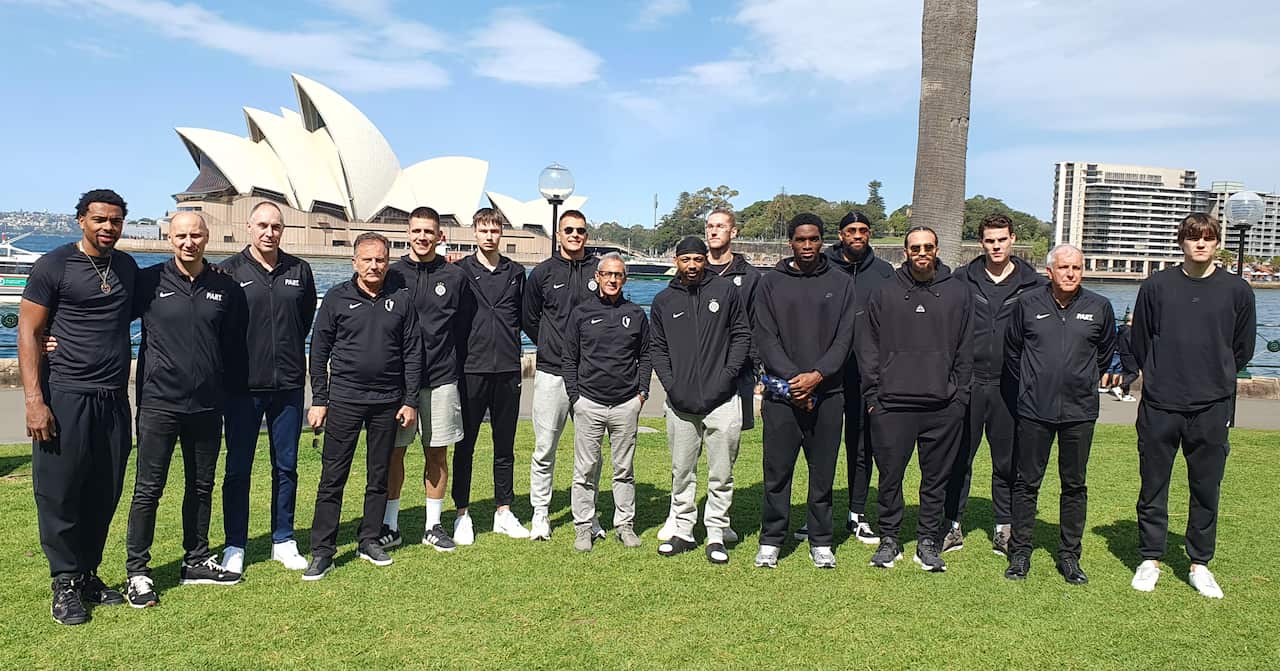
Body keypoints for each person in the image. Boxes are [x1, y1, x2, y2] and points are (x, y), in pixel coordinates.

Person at [20, 189, 138, 624]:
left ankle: (88, 573)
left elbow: (168, 288)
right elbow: (29, 332)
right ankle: (64, 582)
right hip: (66, 394)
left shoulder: (126, 267)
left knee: (103, 491)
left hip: (113, 398)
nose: (108, 227)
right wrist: (35, 401)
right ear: (81, 221)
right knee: (61, 491)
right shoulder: (53, 265)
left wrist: (213, 270)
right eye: (99, 219)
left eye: (115, 220)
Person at [124, 212, 249, 607]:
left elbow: (234, 346)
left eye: (195, 235)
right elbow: (105, 319)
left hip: (208, 405)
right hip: (160, 402)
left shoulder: (225, 287)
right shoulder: (148, 282)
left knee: (201, 486)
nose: (188, 242)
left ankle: (195, 560)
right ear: (170, 238)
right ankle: (137, 571)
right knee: (149, 489)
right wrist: (54, 338)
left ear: (207, 237)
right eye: (181, 236)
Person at [1129, 213, 1255, 599]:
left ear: (1217, 243)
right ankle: (1151, 558)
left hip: (1212, 406)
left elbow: (1242, 348)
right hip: (1161, 403)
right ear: (1181, 241)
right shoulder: (1156, 286)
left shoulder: (1237, 290)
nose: (1200, 244)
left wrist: (1216, 377)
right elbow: (1140, 340)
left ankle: (1200, 563)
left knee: (1206, 487)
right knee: (1153, 484)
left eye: (1208, 238)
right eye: (1193, 237)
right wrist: (1160, 375)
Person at [304, 232, 422, 580]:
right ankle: (322, 551)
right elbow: (319, 351)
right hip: (344, 400)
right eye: (367, 259)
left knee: (379, 476)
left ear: (388, 262)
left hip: (387, 402)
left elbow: (413, 353)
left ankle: (369, 539)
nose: (374, 265)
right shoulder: (337, 298)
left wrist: (410, 400)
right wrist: (320, 399)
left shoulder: (401, 300)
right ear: (354, 262)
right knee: (333, 477)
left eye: (380, 259)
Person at [857, 226, 972, 573]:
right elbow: (868, 346)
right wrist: (873, 395)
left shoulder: (957, 292)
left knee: (935, 480)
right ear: (905, 251)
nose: (922, 253)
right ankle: (889, 539)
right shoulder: (884, 291)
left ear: (937, 250)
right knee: (890, 478)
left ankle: (927, 541)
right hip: (892, 405)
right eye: (915, 248)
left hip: (942, 405)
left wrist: (959, 398)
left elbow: (967, 349)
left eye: (928, 247)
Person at [1003, 244, 1116, 584]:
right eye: (1064, 267)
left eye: (1076, 268)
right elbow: (1013, 352)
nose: (1070, 273)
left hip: (1079, 411)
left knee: (1074, 485)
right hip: (1034, 409)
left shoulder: (1099, 306)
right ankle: (1020, 552)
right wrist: (1033, 383)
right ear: (1049, 271)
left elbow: (1104, 353)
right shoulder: (1027, 304)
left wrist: (1081, 380)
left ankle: (1069, 555)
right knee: (1026, 483)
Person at [753, 213, 857, 569]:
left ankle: (821, 540)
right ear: (791, 242)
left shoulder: (841, 282)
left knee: (822, 473)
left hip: (828, 394)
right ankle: (771, 540)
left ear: (822, 241)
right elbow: (765, 336)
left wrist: (818, 375)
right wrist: (795, 380)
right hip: (782, 396)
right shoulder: (771, 283)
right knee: (777, 473)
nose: (808, 245)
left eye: (814, 239)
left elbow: (845, 337)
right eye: (801, 240)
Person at [218, 201, 317, 573]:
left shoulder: (299, 270)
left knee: (286, 466)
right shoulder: (228, 271)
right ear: (249, 227)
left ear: (283, 230)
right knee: (238, 468)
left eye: (275, 226)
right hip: (242, 388)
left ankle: (284, 539)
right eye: (262, 225)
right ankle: (235, 544)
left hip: (288, 385)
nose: (269, 232)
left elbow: (303, 319)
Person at [943, 213, 1045, 556]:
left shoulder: (1033, 284)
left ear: (1012, 239)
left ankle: (1005, 528)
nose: (996, 246)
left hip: (1010, 385)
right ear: (981, 243)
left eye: (1002, 239)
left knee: (1008, 462)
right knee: (959, 458)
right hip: (969, 382)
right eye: (990, 240)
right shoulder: (962, 279)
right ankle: (951, 526)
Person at [657, 208, 758, 544]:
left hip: (723, 398)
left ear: (704, 261)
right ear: (676, 261)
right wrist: (671, 385)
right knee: (682, 471)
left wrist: (727, 377)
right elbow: (657, 347)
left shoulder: (726, 291)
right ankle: (683, 529)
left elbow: (742, 335)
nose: (692, 265)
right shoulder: (664, 299)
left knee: (722, 473)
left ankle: (717, 530)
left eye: (698, 259)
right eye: (686, 259)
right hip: (681, 401)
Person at [794, 210, 894, 545]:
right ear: (840, 235)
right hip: (825, 370)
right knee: (820, 446)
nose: (857, 235)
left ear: (869, 233)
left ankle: (857, 513)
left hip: (866, 371)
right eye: (851, 230)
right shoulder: (824, 267)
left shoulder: (883, 273)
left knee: (862, 444)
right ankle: (816, 515)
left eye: (863, 230)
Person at [383, 207, 468, 551]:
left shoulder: (455, 277)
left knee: (437, 454)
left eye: (428, 231)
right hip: (398, 381)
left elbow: (463, 327)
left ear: (439, 236)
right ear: (408, 233)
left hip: (441, 378)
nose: (422, 237)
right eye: (417, 231)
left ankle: (433, 525)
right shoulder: (392, 274)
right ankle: (390, 525)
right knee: (394, 454)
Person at [562, 254, 652, 552]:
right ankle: (583, 526)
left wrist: (642, 393)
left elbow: (646, 355)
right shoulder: (581, 313)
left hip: (626, 403)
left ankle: (624, 525)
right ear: (597, 277)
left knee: (623, 469)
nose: (613, 280)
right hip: (589, 403)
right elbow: (569, 358)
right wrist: (575, 398)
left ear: (625, 279)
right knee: (585, 469)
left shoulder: (635, 314)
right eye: (608, 274)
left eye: (618, 275)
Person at [522, 210, 601, 540]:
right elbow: (528, 317)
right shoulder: (543, 273)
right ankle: (540, 512)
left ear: (586, 235)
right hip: (552, 372)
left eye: (580, 230)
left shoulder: (598, 270)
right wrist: (552, 345)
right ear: (558, 234)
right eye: (568, 230)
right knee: (545, 447)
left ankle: (588, 514)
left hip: (590, 376)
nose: (575, 235)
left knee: (590, 452)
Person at [453, 208, 530, 540]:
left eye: (494, 230)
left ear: (502, 233)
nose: (489, 236)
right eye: (483, 230)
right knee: (465, 445)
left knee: (505, 445)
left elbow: (527, 316)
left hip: (508, 369)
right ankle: (462, 513)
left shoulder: (516, 272)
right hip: (471, 368)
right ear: (474, 232)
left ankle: (504, 510)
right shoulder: (459, 272)